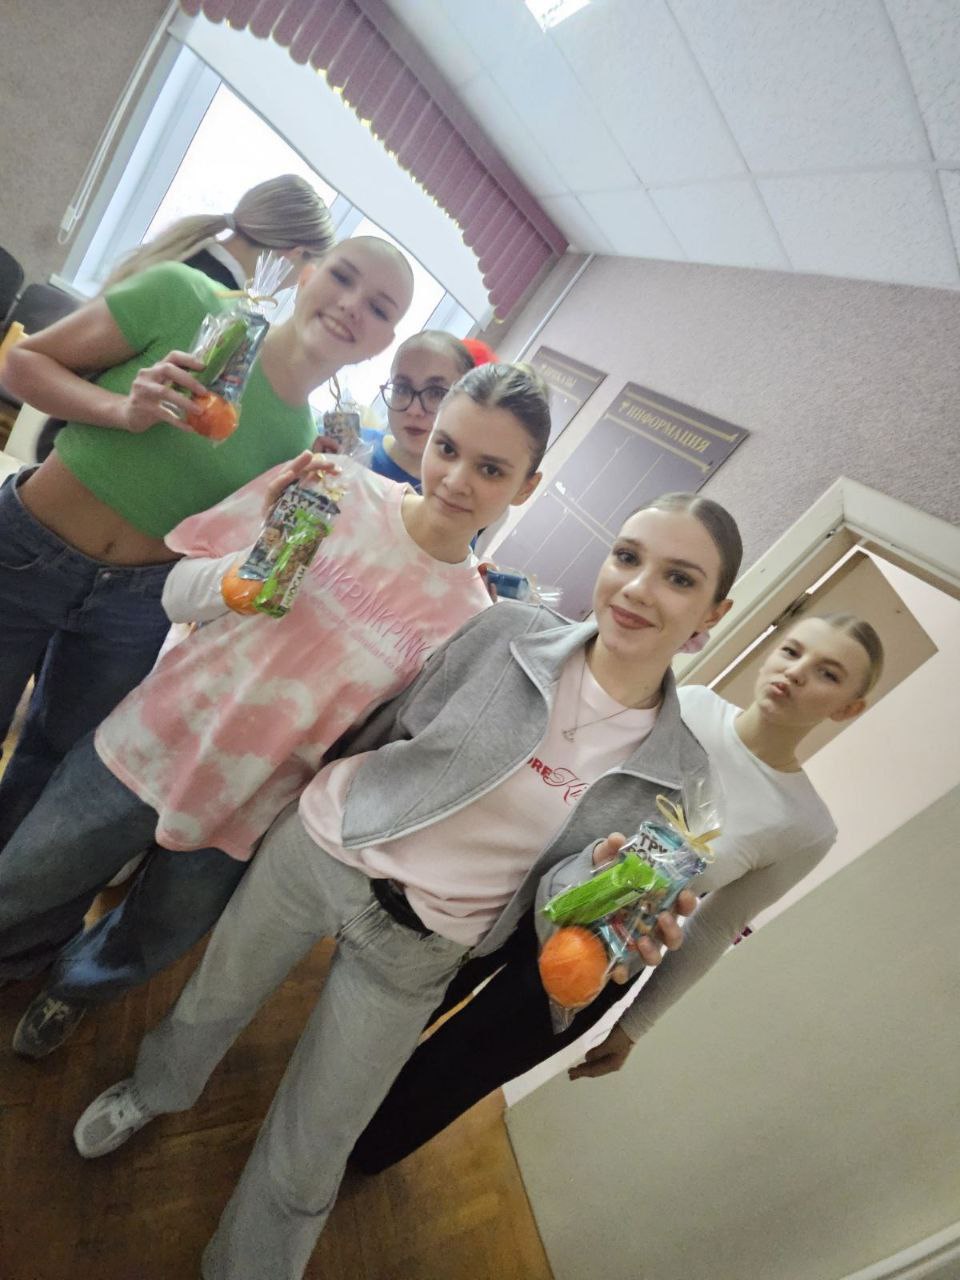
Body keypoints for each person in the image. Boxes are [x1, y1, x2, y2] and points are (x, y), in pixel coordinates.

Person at [71, 491, 742, 1280]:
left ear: (713, 612)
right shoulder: (506, 631)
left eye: (678, 578)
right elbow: (397, 725)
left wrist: (606, 924)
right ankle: (154, 1091)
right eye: (628, 557)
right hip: (325, 851)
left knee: (317, 1142)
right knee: (210, 1004)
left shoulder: (678, 776)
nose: (636, 588)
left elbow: (564, 901)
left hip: (428, 944)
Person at [0, 363, 548, 1055]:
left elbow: (376, 746)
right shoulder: (333, 487)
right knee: (31, 876)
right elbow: (175, 592)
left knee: (154, 933)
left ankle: (73, 990)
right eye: (448, 448)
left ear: (525, 487)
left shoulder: (469, 622)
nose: (457, 480)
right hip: (158, 734)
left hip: (253, 804)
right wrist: (238, 579)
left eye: (491, 469)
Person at [349, 611, 884, 1175]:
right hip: (520, 894)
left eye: (827, 673)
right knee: (400, 1007)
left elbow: (714, 928)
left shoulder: (805, 826)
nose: (796, 672)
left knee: (455, 1074)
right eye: (793, 651)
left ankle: (345, 1164)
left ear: (847, 707)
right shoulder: (691, 706)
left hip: (600, 960)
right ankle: (319, 1104)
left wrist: (635, 1026)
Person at [0, 235, 408, 844]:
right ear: (304, 274)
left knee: (47, 768)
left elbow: (219, 555)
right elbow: (21, 363)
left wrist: (290, 517)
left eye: (378, 308)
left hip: (133, 608)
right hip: (25, 549)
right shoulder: (187, 300)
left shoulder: (304, 444)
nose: (353, 305)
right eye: (343, 277)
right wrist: (121, 409)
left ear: (383, 343)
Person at [33, 175, 336, 462]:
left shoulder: (190, 259)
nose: (296, 284)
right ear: (295, 254)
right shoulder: (202, 298)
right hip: (78, 447)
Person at [104, 173, 334, 291]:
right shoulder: (215, 302)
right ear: (295, 253)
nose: (298, 283)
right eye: (311, 266)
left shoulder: (182, 251)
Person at [363, 330, 477, 490]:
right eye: (402, 388)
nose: (414, 410)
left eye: (436, 393)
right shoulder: (348, 447)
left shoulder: (455, 495)